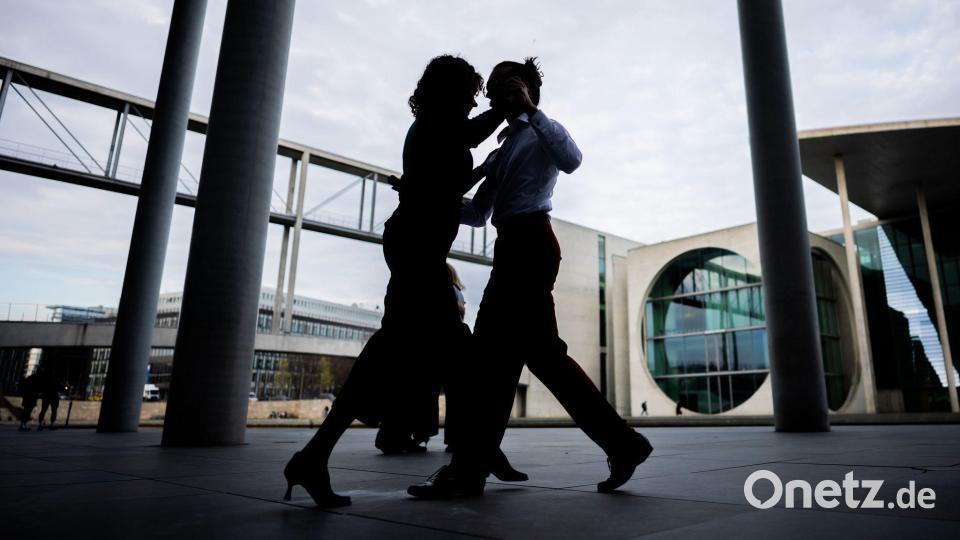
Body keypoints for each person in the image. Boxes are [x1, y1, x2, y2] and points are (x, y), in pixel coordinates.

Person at [409, 58, 652, 500]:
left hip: (531, 244)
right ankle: (622, 443)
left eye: (503, 86)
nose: (493, 95)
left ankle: (468, 470)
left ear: (525, 90)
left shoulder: (543, 131)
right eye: (492, 89)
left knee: (491, 359)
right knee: (535, 359)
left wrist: (533, 111)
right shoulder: (502, 149)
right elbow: (478, 213)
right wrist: (424, 197)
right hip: (513, 247)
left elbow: (573, 160)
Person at [283, 55, 518, 508]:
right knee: (453, 349)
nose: (474, 102)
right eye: (470, 94)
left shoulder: (432, 126)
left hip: (417, 248)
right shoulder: (439, 123)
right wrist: (507, 108)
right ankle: (481, 450)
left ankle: (315, 457)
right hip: (417, 250)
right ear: (451, 93)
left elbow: (443, 183)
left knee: (406, 349)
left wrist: (484, 166)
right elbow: (465, 144)